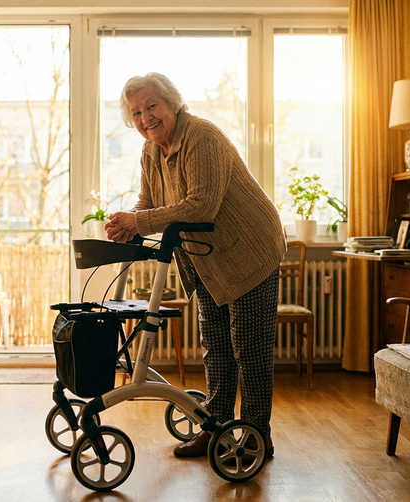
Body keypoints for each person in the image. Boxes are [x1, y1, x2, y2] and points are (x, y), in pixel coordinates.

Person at [105, 72, 286, 458]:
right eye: (136, 112)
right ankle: (216, 427)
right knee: (216, 346)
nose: (145, 118)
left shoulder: (201, 136)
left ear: (173, 102)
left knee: (249, 348)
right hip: (204, 258)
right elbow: (149, 202)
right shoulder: (151, 151)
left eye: (152, 106)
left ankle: (257, 437)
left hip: (249, 250)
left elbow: (201, 205)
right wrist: (127, 226)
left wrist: (139, 222)